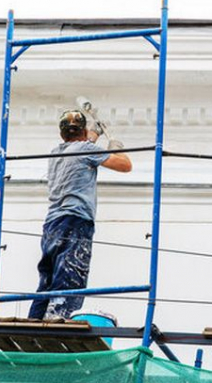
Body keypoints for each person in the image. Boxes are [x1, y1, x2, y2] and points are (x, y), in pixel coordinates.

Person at [28, 109, 132, 320]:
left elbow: (82, 146)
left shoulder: (56, 153)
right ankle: (58, 319)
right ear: (83, 132)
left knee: (47, 279)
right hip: (76, 221)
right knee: (70, 274)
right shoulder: (86, 149)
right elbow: (125, 165)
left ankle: (35, 320)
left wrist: (94, 133)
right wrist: (116, 147)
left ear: (62, 134)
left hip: (52, 225)